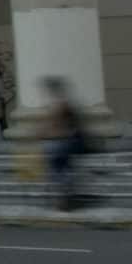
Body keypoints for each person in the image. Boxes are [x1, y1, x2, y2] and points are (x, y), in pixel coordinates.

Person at [40, 77, 86, 211]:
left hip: (65, 143)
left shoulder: (60, 105)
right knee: (61, 170)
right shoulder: (62, 104)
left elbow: (56, 126)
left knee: (57, 170)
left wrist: (42, 133)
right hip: (65, 143)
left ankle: (65, 198)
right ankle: (67, 196)